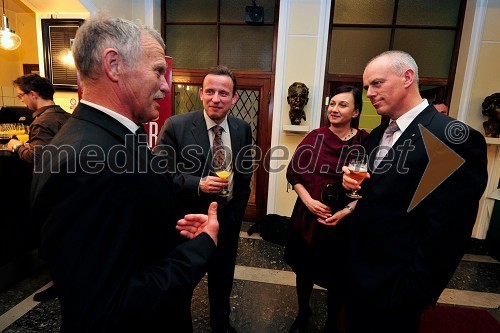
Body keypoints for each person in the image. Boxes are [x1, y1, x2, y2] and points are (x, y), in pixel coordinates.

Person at [31, 14, 219, 333]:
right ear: (114, 65)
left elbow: (125, 243)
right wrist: (201, 248)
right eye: (158, 71)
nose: (165, 85)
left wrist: (174, 234)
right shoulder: (93, 161)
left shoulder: (105, 138)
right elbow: (105, 309)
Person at [342, 50, 488, 333]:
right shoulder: (377, 134)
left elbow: (449, 229)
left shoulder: (451, 137)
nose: (369, 93)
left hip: (398, 285)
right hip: (360, 273)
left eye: (377, 83)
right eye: (367, 86)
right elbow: (385, 194)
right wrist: (358, 187)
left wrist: (413, 291)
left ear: (407, 77)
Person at [154, 65, 253, 333]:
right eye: (210, 91)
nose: (215, 98)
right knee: (183, 283)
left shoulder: (242, 128)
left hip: (228, 222)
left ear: (233, 98)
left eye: (223, 93)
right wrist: (198, 183)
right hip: (190, 224)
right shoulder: (176, 125)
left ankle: (221, 324)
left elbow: (244, 176)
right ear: (201, 93)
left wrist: (236, 213)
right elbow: (160, 173)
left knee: (223, 280)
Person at [285, 86, 368, 333]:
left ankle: (333, 321)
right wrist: (308, 201)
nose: (334, 109)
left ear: (355, 112)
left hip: (345, 222)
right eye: (332, 104)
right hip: (310, 217)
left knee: (339, 276)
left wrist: (350, 209)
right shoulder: (315, 137)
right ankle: (303, 313)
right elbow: (294, 174)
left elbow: (372, 185)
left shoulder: (364, 140)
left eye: (343, 105)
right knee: (305, 270)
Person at [7, 74, 71, 164]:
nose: (21, 100)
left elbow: (37, 158)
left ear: (33, 94)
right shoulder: (68, 116)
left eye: (21, 95)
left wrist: (17, 147)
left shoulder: (41, 123)